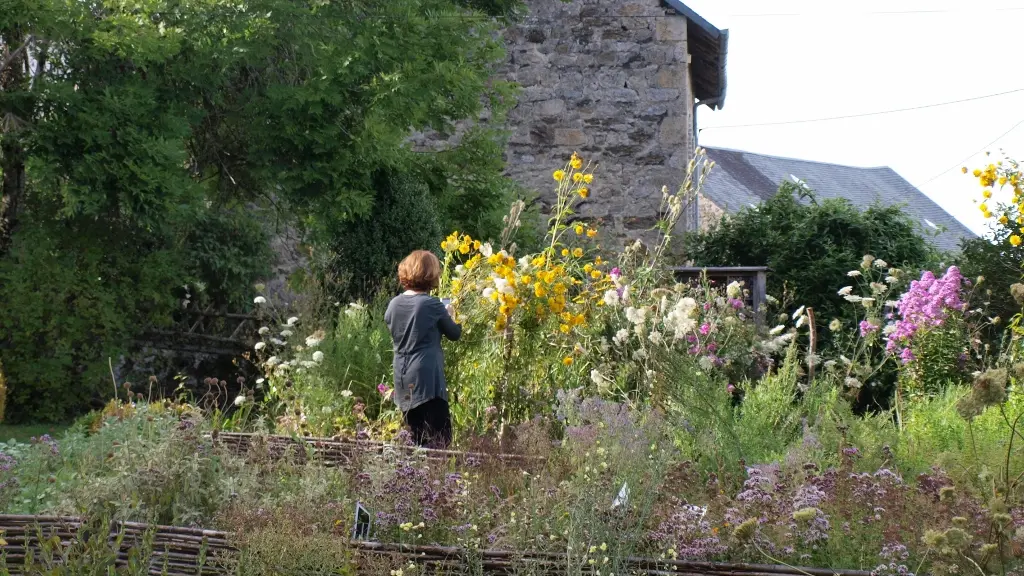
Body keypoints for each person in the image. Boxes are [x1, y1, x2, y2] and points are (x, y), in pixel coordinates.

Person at [383, 250, 462, 448]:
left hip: (402, 376)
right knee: (439, 440)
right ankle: (436, 478)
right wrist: (452, 314)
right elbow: (454, 333)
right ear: (430, 274)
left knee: (414, 438)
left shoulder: (393, 304)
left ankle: (414, 477)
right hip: (427, 379)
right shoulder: (432, 305)